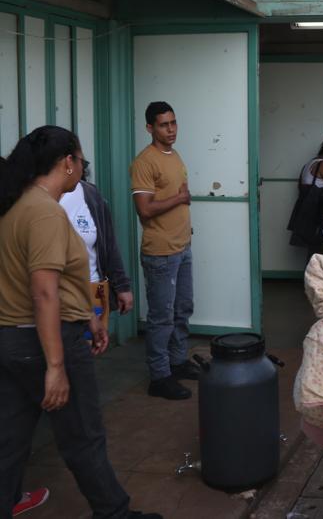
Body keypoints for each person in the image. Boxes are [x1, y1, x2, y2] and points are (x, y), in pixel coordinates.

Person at [0, 126, 161, 519]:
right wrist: (56, 367)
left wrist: (90, 317)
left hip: (14, 343)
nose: (82, 170)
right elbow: (43, 293)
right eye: (81, 162)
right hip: (46, 343)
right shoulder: (44, 214)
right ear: (67, 163)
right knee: (82, 437)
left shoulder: (17, 206)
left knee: (11, 440)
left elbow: (56, 286)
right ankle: (115, 513)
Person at [130, 101, 196, 401]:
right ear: (149, 128)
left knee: (182, 310)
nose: (170, 129)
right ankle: (160, 376)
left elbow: (175, 196)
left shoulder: (175, 154)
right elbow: (144, 209)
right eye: (163, 125)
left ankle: (178, 362)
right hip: (160, 253)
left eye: (173, 123)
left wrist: (185, 224)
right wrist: (181, 199)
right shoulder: (145, 161)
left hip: (182, 247)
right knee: (161, 318)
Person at [59, 166, 135, 326]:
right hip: (56, 293)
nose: (83, 166)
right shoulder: (36, 197)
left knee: (92, 345)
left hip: (92, 289)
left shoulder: (90, 194)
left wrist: (122, 286)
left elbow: (109, 244)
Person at [289, 137, 323, 260]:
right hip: (316, 211)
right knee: (320, 246)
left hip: (304, 209)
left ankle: (311, 274)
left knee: (313, 247)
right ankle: (318, 275)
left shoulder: (308, 164)